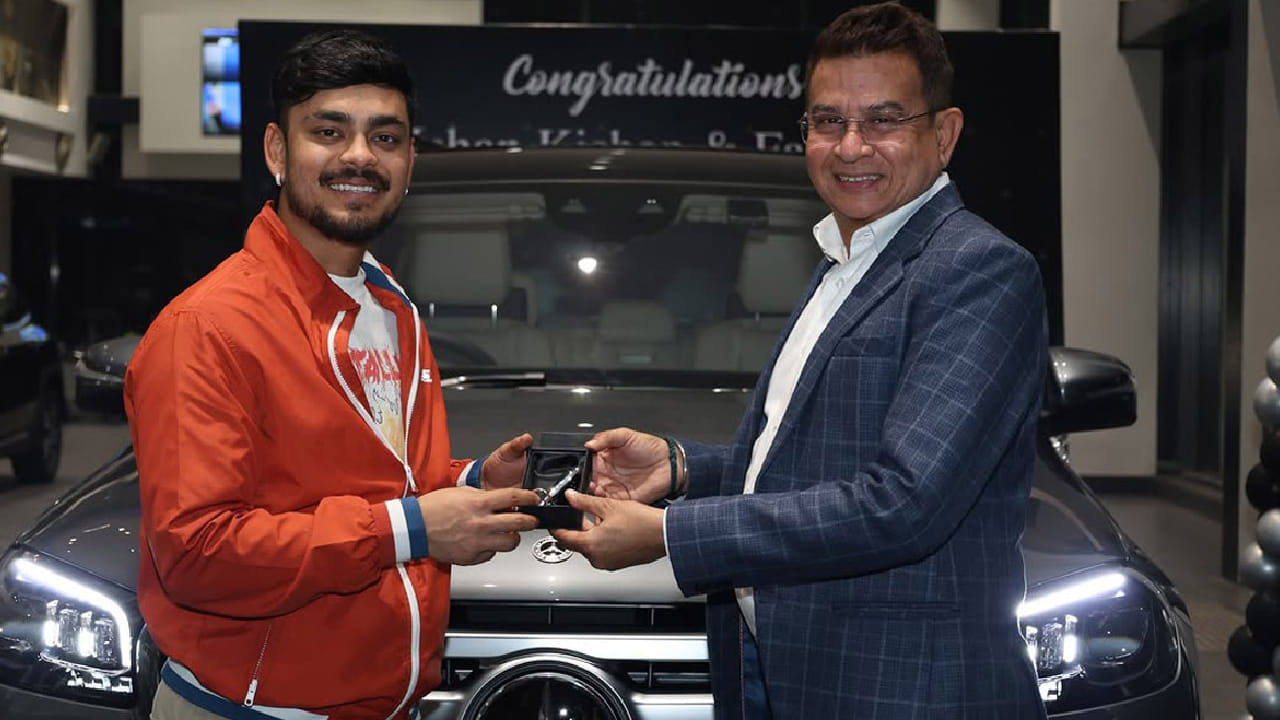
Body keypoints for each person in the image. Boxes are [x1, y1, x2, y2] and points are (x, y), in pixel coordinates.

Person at [552, 3, 1050, 718]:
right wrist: (684, 468)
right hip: (783, 662)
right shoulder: (845, 260)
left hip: (900, 689)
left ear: (944, 134)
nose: (850, 146)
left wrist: (669, 533)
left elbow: (902, 502)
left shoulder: (977, 270)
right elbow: (810, 462)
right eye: (828, 120)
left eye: (883, 120)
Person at [124, 30, 539, 720]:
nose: (360, 156)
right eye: (329, 132)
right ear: (276, 151)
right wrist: (410, 529)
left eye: (386, 138)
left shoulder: (390, 308)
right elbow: (196, 554)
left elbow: (365, 482)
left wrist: (470, 482)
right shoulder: (207, 326)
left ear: (409, 161)